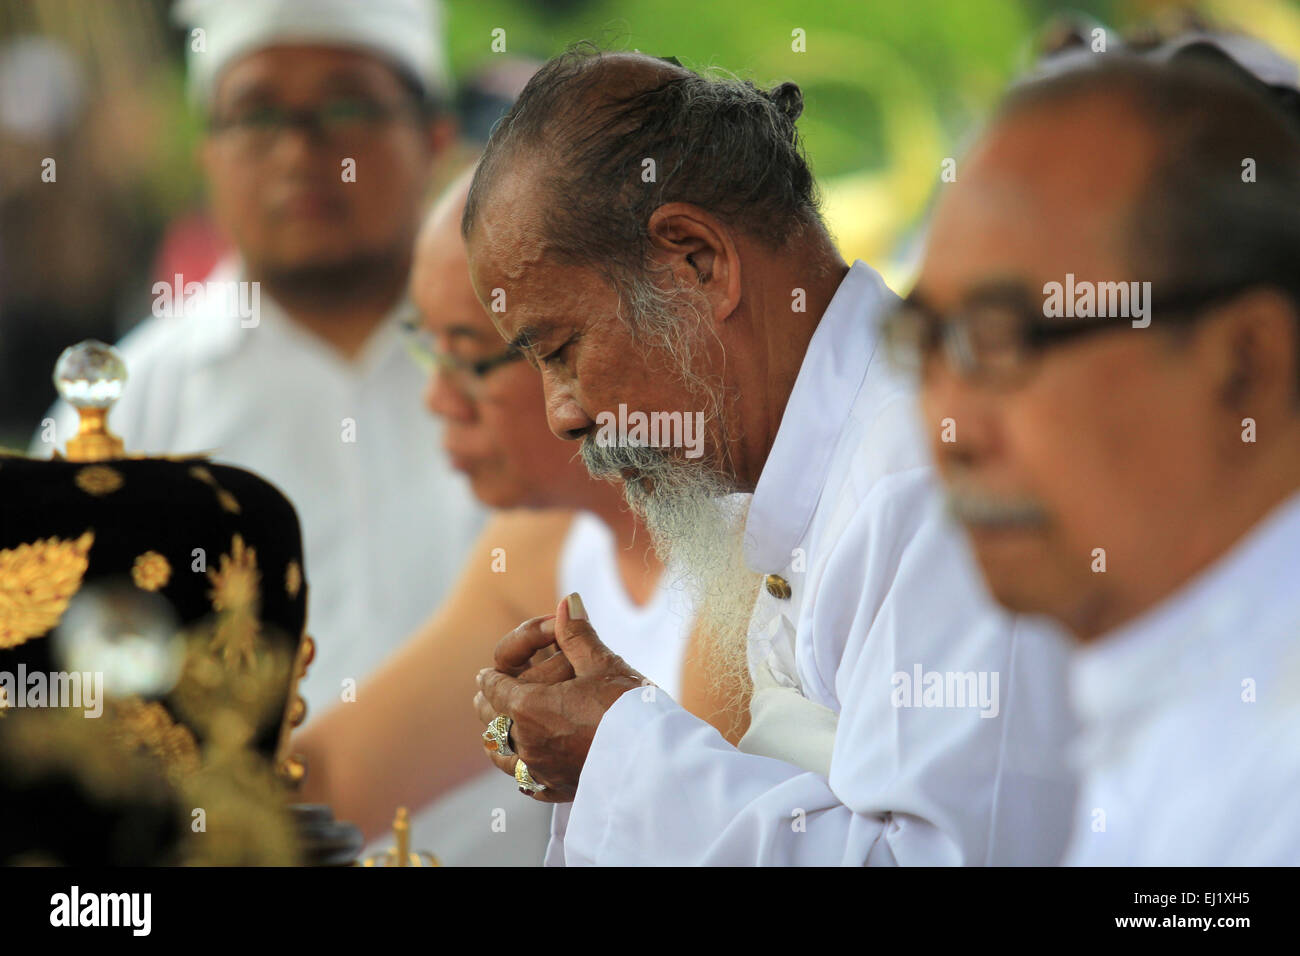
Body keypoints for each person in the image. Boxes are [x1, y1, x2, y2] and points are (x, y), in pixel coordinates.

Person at [466, 48, 1078, 865]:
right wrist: (611, 740)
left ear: (697, 261)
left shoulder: (923, 472)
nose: (562, 416)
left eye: (562, 348)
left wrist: (620, 751)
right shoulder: (840, 461)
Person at [894, 57, 1300, 864]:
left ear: (1246, 364)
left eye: (1002, 341)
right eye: (926, 344)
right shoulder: (1166, 686)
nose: (949, 432)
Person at [34, 0, 485, 721]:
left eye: (345, 108)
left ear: (434, 136)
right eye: (257, 113)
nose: (299, 152)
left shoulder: (530, 373)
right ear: (207, 152)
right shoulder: (127, 402)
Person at [294, 174, 742, 865]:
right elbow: (327, 784)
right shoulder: (541, 549)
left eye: (472, 357)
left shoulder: (749, 553)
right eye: (426, 347)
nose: (438, 399)